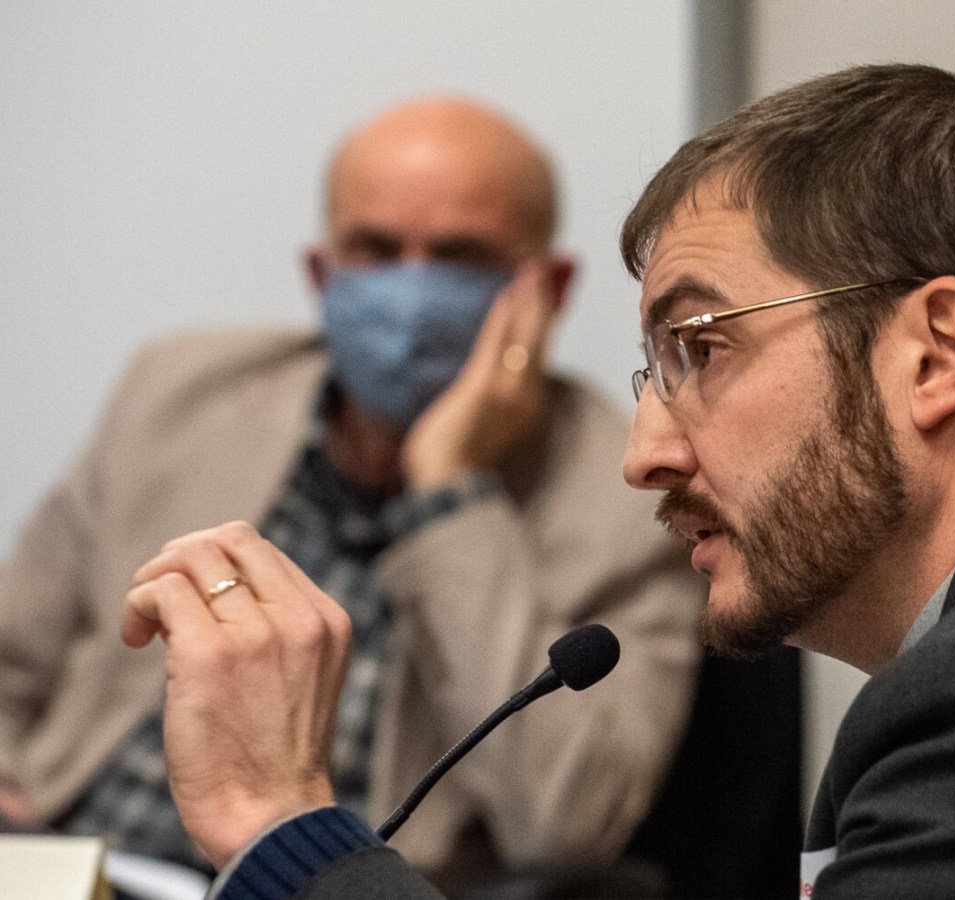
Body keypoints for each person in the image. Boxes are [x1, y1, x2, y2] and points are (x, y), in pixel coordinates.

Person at [125, 62, 955, 897]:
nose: (644, 454)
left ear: (934, 353)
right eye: (655, 370)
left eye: (702, 347)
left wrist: (282, 823)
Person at [0, 98, 704, 893]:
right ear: (321, 273)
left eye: (460, 257)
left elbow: (570, 824)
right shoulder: (181, 394)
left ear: (550, 287)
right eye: (375, 250)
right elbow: (12, 657)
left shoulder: (630, 487)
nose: (411, 292)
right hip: (73, 859)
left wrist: (448, 488)